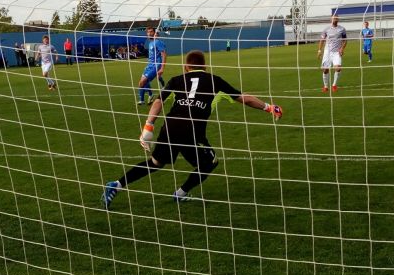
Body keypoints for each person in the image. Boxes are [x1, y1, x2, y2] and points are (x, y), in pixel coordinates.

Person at [103, 50, 282, 208]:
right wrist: (269, 107)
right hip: (192, 130)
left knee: (155, 163)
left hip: (170, 127)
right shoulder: (215, 81)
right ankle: (180, 193)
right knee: (210, 162)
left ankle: (116, 185)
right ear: (204, 66)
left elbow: (158, 101)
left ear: (186, 67)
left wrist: (148, 126)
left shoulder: (176, 80)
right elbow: (244, 98)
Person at [317, 14, 347, 92]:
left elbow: (345, 40)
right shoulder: (326, 29)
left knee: (338, 68)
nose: (335, 19)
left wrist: (342, 49)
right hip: (327, 52)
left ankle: (334, 85)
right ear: (331, 19)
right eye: (334, 18)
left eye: (336, 18)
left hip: (337, 52)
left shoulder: (342, 29)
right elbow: (322, 40)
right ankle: (326, 86)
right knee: (325, 70)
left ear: (338, 19)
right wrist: (319, 50)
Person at [137, 26, 166, 105]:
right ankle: (144, 99)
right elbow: (151, 55)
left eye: (151, 32)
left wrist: (162, 68)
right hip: (150, 65)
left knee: (144, 81)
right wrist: (148, 64)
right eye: (148, 32)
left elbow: (164, 54)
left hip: (156, 65)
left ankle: (162, 88)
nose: (149, 33)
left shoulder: (157, 42)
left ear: (154, 33)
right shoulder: (150, 43)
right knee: (141, 83)